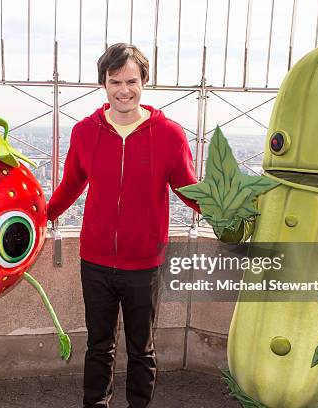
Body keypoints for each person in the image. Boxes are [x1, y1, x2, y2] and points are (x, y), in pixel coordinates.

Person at [46, 43, 200, 408]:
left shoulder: (170, 135)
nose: (124, 90)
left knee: (141, 350)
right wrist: (41, 215)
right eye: (115, 81)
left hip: (144, 263)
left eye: (131, 80)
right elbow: (70, 184)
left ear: (144, 81)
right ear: (104, 83)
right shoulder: (85, 132)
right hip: (95, 261)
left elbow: (189, 189)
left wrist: (228, 211)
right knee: (98, 346)